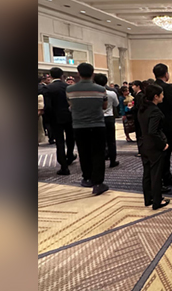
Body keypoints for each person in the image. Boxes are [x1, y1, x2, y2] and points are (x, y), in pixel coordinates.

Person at [66, 62, 109, 195]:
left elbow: (71, 105)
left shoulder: (70, 90)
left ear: (78, 73)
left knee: (83, 152)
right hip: (97, 125)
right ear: (93, 73)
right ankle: (98, 183)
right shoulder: (101, 89)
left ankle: (87, 178)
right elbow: (104, 106)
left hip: (79, 126)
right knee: (98, 153)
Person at [138, 83, 171, 210]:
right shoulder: (155, 111)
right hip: (153, 146)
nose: (163, 96)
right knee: (156, 174)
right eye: (161, 94)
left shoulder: (143, 108)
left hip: (143, 144)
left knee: (147, 173)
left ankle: (148, 198)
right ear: (156, 96)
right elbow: (153, 131)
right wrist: (162, 145)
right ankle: (157, 200)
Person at [153, 63, 172, 187]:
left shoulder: (151, 86)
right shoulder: (166, 87)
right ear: (166, 74)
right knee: (166, 153)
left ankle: (159, 179)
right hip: (166, 123)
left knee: (157, 153)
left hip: (153, 124)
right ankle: (166, 178)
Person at [45, 67, 77, 175]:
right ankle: (70, 155)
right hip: (69, 115)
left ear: (50, 76)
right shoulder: (68, 87)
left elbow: (48, 106)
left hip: (55, 118)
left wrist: (48, 119)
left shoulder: (49, 88)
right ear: (62, 75)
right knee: (70, 138)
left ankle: (63, 166)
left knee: (59, 141)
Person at [94, 73, 120, 168]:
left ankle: (101, 159)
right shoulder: (111, 93)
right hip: (109, 117)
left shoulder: (94, 94)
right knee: (111, 140)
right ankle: (113, 160)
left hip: (98, 118)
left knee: (99, 140)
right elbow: (116, 104)